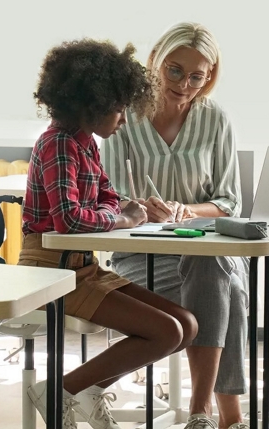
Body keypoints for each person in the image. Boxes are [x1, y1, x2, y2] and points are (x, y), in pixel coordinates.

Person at [18, 38, 199, 429]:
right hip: (49, 272)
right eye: (118, 109)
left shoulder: (85, 143)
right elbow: (69, 219)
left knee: (186, 325)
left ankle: (84, 390)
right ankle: (61, 391)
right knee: (166, 331)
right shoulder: (59, 144)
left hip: (80, 266)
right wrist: (121, 219)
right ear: (93, 105)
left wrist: (122, 213)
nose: (123, 120)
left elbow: (108, 198)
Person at [101, 22, 247, 429]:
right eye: (175, 70)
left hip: (205, 248)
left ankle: (200, 413)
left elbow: (228, 201)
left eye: (197, 76)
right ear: (155, 62)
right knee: (230, 291)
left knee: (212, 265)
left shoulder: (215, 119)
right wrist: (142, 210)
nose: (184, 85)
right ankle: (228, 418)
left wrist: (187, 210)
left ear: (209, 76)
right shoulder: (123, 117)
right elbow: (109, 197)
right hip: (142, 255)